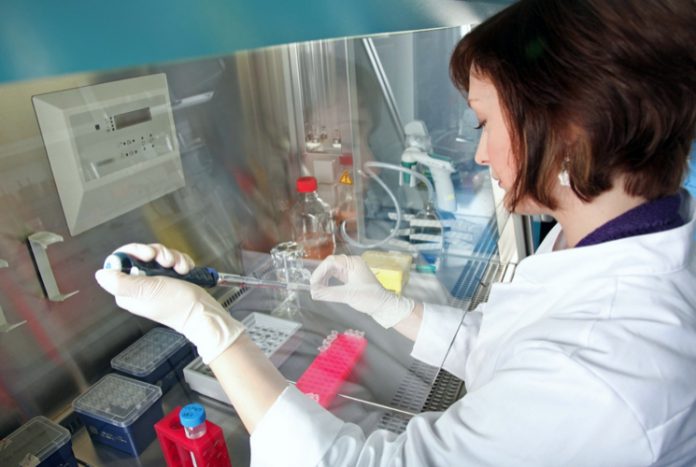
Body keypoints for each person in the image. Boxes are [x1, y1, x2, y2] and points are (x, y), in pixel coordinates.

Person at [95, 0, 696, 465]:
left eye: (486, 123)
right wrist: (390, 307)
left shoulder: (602, 375)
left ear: (566, 130)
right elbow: (506, 347)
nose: (481, 154)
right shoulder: (601, 237)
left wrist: (209, 326)